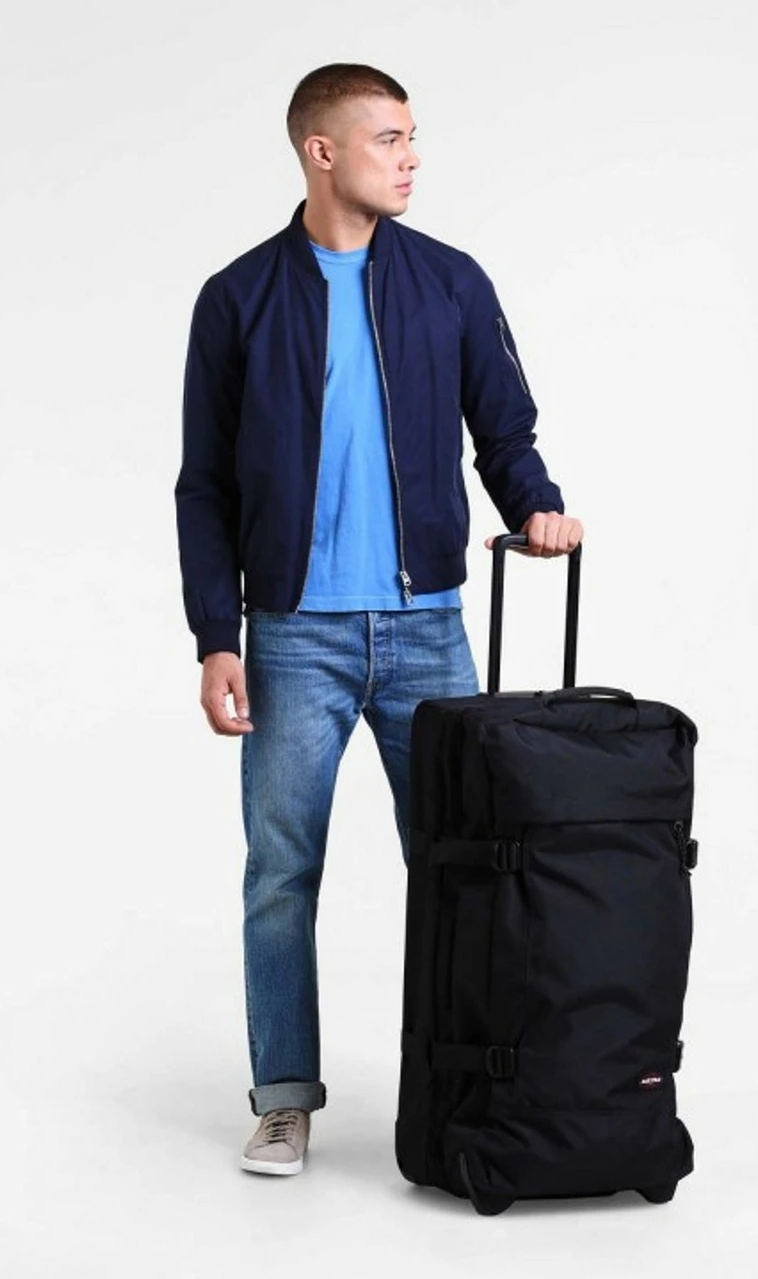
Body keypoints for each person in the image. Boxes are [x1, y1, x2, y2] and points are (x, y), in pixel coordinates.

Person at [173, 62, 583, 1177]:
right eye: (388, 139)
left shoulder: (448, 282)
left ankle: (466, 1090)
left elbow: (504, 429)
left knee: (463, 868)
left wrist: (536, 507)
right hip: (293, 636)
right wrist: (217, 635)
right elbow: (204, 485)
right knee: (280, 873)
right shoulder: (239, 298)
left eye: (412, 137)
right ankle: (283, 1100)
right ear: (321, 151)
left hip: (426, 629)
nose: (410, 158)